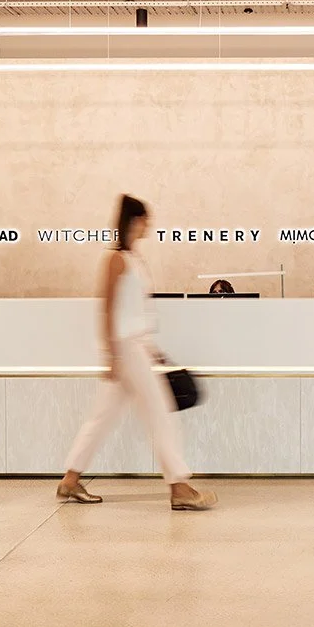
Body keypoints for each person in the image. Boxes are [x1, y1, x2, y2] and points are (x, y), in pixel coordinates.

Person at [57, 194, 217, 511]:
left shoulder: (133, 259)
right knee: (160, 413)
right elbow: (107, 308)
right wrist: (111, 356)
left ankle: (70, 480)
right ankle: (179, 487)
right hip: (126, 351)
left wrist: (151, 350)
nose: (149, 225)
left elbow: (133, 310)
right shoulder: (116, 259)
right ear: (134, 220)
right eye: (145, 219)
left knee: (102, 417)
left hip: (135, 348)